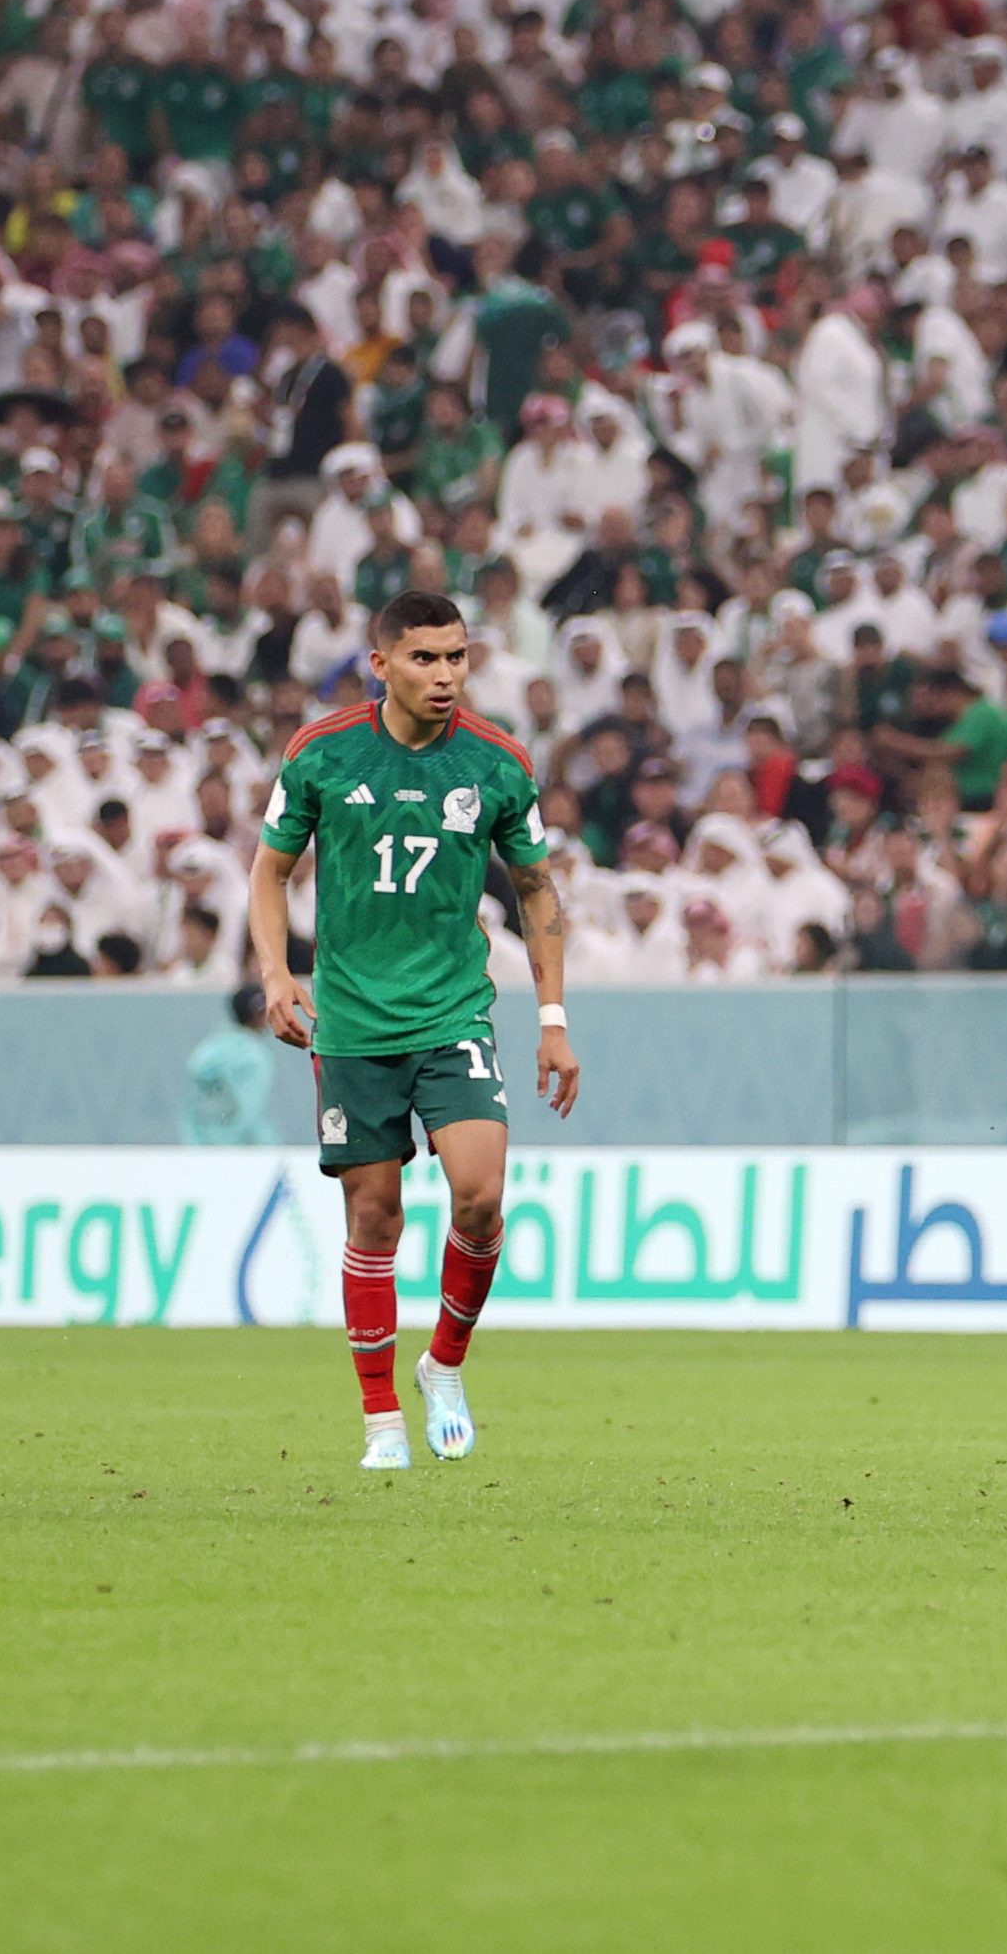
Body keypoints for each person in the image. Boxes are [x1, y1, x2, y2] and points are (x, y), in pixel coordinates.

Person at [249, 592, 583, 1470]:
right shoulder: (321, 754)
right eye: (426, 658)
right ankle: (379, 1420)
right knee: (376, 1216)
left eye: (457, 658)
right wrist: (278, 974)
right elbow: (269, 873)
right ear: (381, 664)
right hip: (354, 1023)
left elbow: (539, 891)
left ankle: (442, 1363)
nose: (445, 675)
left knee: (479, 1194)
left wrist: (552, 1020)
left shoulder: (499, 763)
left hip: (453, 1012)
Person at [185, 983, 291, 1144]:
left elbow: (192, 1109)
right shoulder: (254, 1056)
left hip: (204, 1148)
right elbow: (252, 1112)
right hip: (244, 1154)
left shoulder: (206, 1050)